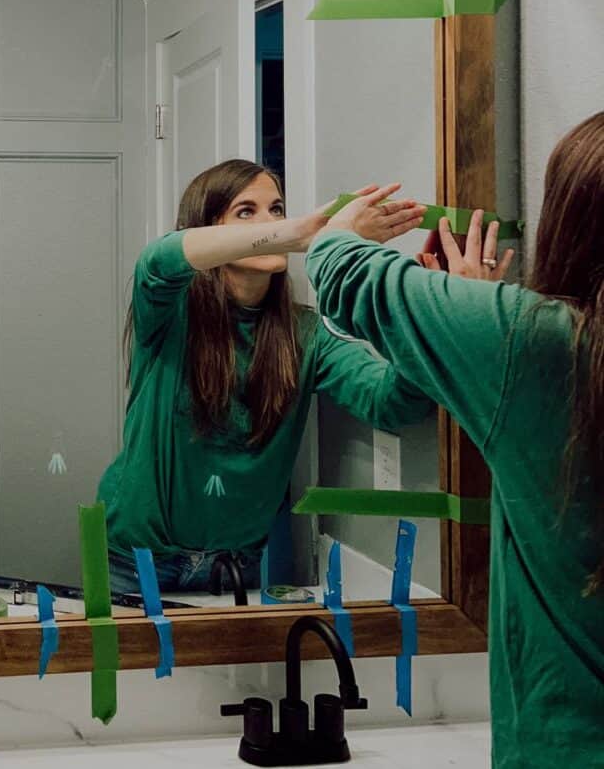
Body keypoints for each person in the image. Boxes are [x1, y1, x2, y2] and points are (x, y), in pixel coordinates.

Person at [307, 112, 604, 768]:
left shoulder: (538, 345)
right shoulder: (530, 348)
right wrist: (471, 337)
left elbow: (341, 269)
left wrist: (340, 226)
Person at [98, 159, 432, 596]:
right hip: (136, 559)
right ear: (211, 228)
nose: (272, 221)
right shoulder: (170, 314)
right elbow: (159, 260)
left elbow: (392, 402)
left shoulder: (306, 334)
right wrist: (299, 234)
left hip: (235, 565)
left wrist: (427, 312)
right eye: (246, 211)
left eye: (276, 209)